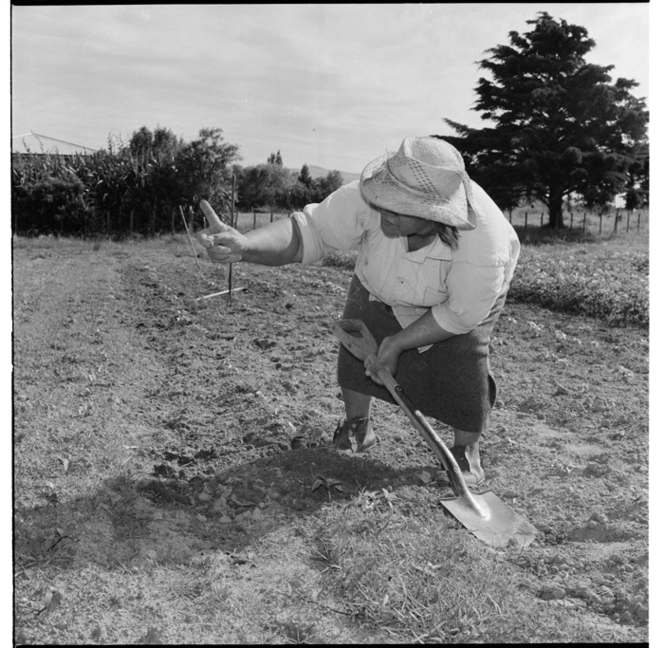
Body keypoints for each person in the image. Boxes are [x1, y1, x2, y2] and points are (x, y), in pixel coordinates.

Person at [197, 136, 520, 486]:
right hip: (378, 281)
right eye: (383, 201)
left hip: (460, 303)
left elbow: (461, 313)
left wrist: (397, 343)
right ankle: (357, 427)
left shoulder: (483, 242)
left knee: (462, 355)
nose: (383, 211)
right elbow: (309, 232)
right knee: (358, 333)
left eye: (397, 208)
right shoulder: (368, 197)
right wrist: (247, 245)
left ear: (433, 214)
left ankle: (465, 450)